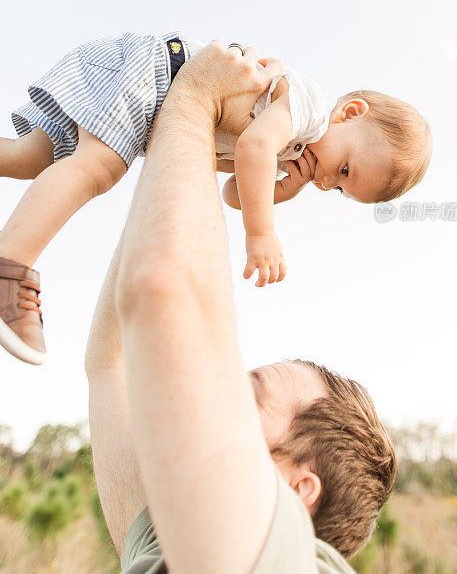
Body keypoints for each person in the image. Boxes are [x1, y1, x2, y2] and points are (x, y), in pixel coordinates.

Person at [83, 42, 397, 574]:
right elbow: (112, 363)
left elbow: (164, 292)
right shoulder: (166, 557)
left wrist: (195, 98)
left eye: (246, 394)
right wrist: (184, 143)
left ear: (298, 490)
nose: (212, 389)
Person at [0, 31, 431, 364]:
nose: (326, 182)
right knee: (98, 167)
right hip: (156, 72)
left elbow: (231, 191)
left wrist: (285, 189)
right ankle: (10, 268)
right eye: (344, 170)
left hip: (149, 84)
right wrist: (261, 234)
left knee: (33, 159)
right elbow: (252, 149)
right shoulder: (310, 109)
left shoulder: (290, 152)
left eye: (338, 189)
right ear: (350, 113)